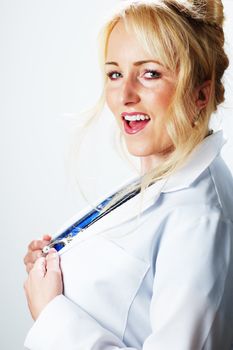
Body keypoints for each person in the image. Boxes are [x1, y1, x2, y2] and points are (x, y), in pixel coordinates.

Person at [23, 0, 233, 349]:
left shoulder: (200, 218)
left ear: (200, 93)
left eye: (150, 73)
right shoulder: (162, 182)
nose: (124, 95)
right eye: (115, 74)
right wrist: (59, 259)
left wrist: (51, 313)